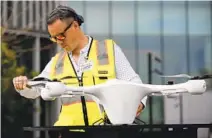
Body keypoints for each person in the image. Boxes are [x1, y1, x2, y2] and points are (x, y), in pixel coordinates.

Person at [13, 5, 147, 130]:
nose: (59, 42)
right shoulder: (57, 61)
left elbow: (133, 81)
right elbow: (37, 88)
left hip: (105, 130)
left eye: (61, 35)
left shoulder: (108, 50)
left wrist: (139, 102)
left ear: (75, 26)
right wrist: (23, 85)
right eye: (54, 38)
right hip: (68, 132)